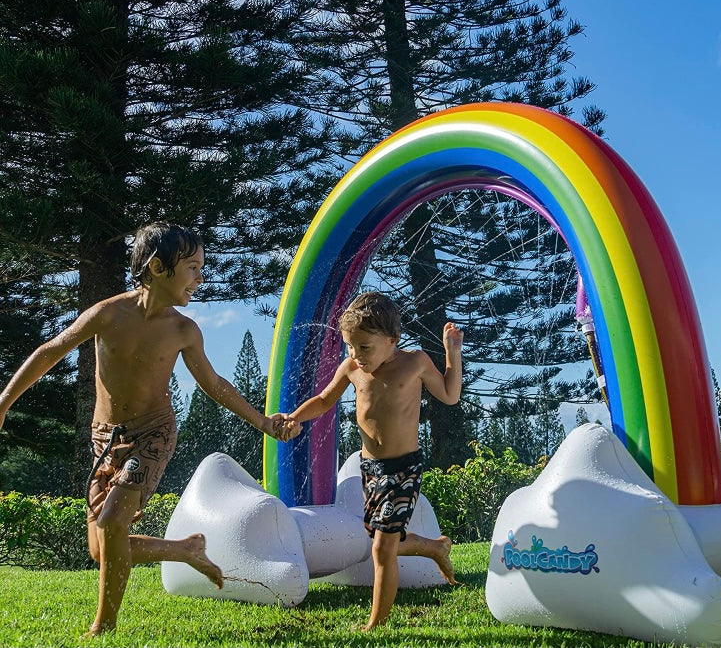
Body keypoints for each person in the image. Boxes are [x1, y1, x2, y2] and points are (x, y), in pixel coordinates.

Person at [0, 222, 301, 636]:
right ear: (158, 267)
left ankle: (103, 626)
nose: (200, 277)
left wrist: (264, 423)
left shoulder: (183, 330)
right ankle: (185, 550)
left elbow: (214, 385)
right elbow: (52, 350)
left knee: (110, 527)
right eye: (193, 267)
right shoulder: (108, 313)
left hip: (153, 434)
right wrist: (4, 403)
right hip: (105, 438)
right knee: (99, 547)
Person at [286, 291, 462, 631]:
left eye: (365, 347)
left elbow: (450, 396)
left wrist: (451, 354)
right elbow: (323, 400)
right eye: (351, 346)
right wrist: (295, 417)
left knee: (383, 547)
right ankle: (435, 547)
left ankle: (376, 625)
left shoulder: (415, 363)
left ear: (392, 340)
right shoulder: (352, 367)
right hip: (371, 469)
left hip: (403, 469)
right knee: (381, 537)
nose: (356, 355)